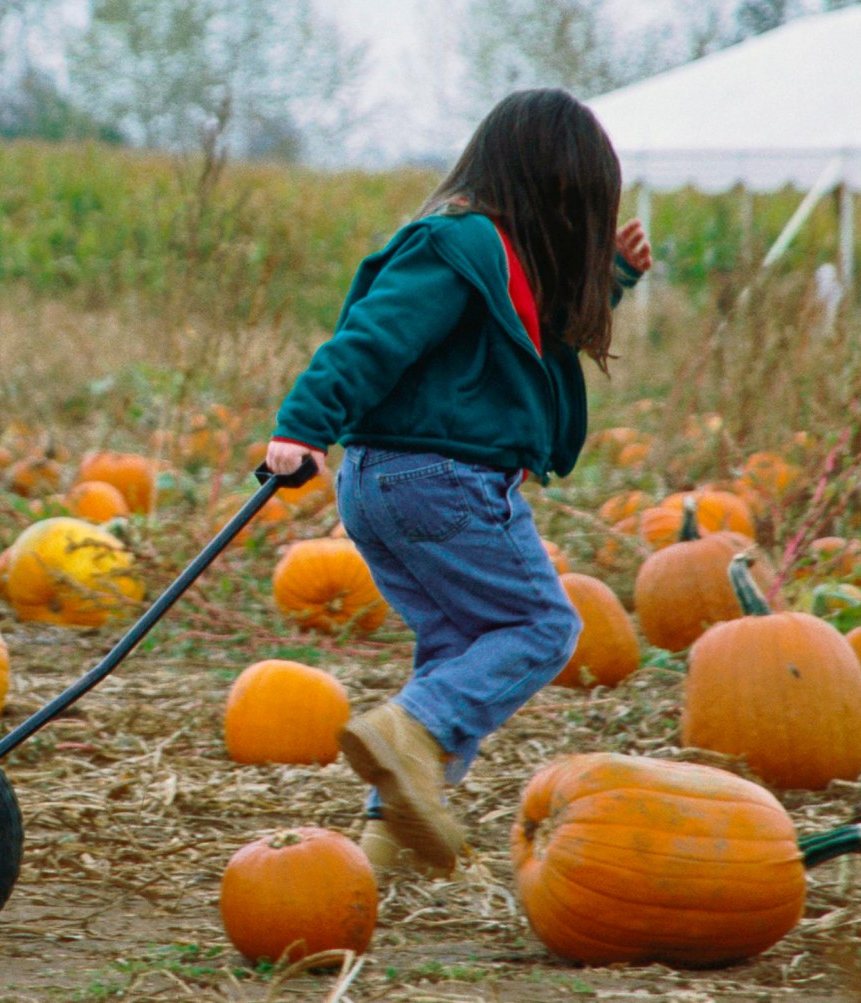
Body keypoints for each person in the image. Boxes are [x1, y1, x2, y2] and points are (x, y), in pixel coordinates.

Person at [260, 88, 652, 876]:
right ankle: (412, 732)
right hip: (442, 480)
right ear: (550, 190)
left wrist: (609, 277)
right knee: (542, 627)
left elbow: (533, 338)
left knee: (456, 645)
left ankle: (390, 839)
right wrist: (302, 424)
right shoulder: (452, 245)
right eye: (580, 207)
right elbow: (368, 338)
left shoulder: (494, 255)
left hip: (387, 486)